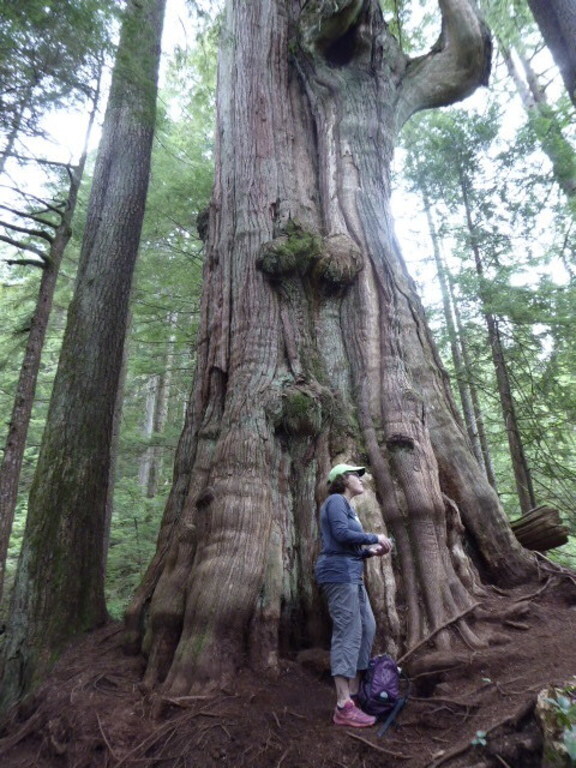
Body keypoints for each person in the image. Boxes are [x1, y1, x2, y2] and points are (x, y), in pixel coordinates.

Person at [315, 463, 393, 728]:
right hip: (337, 573)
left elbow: (347, 545)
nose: (361, 479)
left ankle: (355, 694)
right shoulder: (336, 500)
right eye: (355, 475)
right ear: (342, 479)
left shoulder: (348, 507)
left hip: (351, 572)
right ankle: (343, 705)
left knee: (367, 628)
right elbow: (340, 534)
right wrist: (375, 536)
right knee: (347, 631)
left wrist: (371, 551)